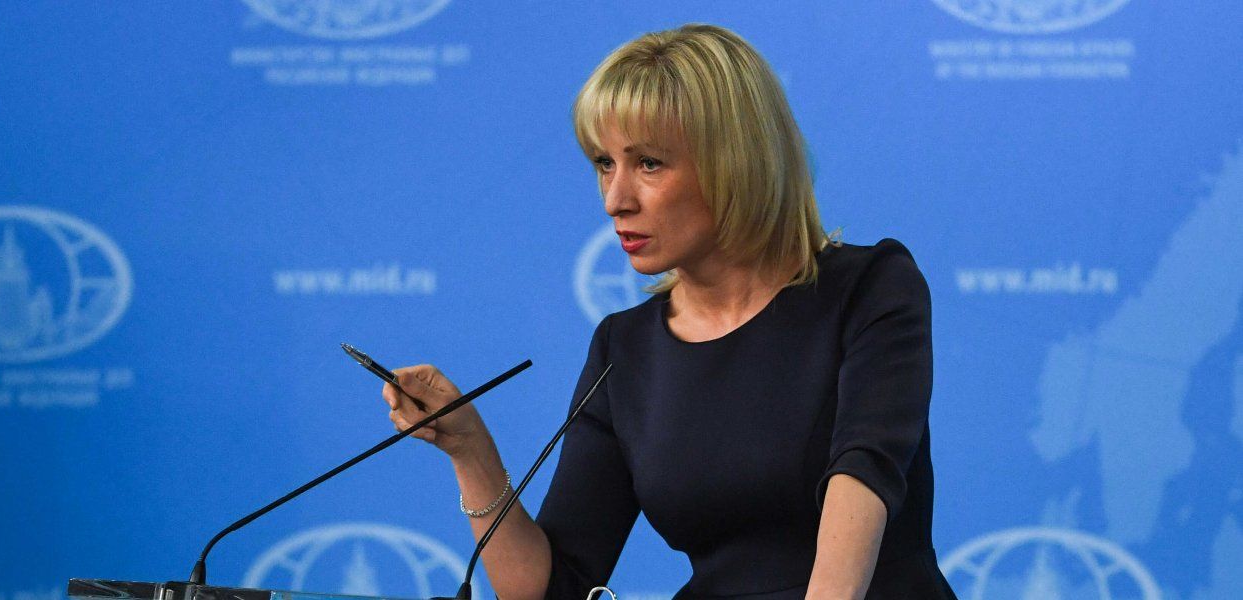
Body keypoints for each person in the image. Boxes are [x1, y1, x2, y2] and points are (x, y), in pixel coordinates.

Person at [381, 24, 957, 600]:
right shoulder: (624, 347)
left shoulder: (871, 286)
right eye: (604, 164)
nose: (615, 200)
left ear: (737, 160)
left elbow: (863, 472)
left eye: (649, 163)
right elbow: (554, 589)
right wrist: (470, 450)